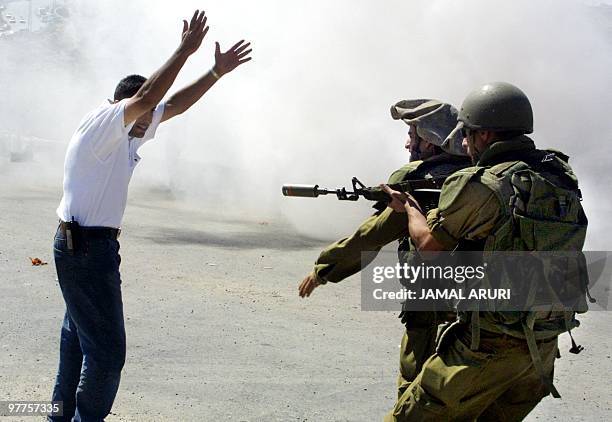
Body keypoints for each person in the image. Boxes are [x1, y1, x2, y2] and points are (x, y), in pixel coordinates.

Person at [49, 10, 252, 422]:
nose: (150, 123)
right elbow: (147, 100)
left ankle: (58, 416)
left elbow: (173, 104)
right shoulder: (105, 122)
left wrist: (214, 72)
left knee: (77, 337)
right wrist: (184, 50)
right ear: (126, 106)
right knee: (107, 353)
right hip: (85, 248)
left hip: (87, 247)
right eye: (145, 115)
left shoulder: (130, 126)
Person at [382, 82, 588, 421]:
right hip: (542, 349)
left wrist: (411, 210)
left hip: (486, 348)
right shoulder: (558, 177)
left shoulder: (482, 184)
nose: (465, 142)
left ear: (486, 135)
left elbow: (430, 248)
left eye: (470, 134)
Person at [297, 99, 471, 398]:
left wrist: (323, 268)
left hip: (428, 307)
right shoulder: (482, 176)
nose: (407, 144)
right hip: (483, 305)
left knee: (416, 391)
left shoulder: (413, 181)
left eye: (413, 136)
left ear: (430, 141)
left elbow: (370, 236)